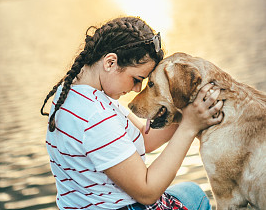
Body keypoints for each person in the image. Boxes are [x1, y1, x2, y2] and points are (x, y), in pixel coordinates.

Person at [41, 16, 223, 210]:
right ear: (110, 62)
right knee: (197, 198)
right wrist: (189, 127)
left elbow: (144, 139)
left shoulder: (74, 91)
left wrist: (186, 115)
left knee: (190, 190)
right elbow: (147, 192)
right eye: (137, 79)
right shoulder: (96, 117)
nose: (137, 89)